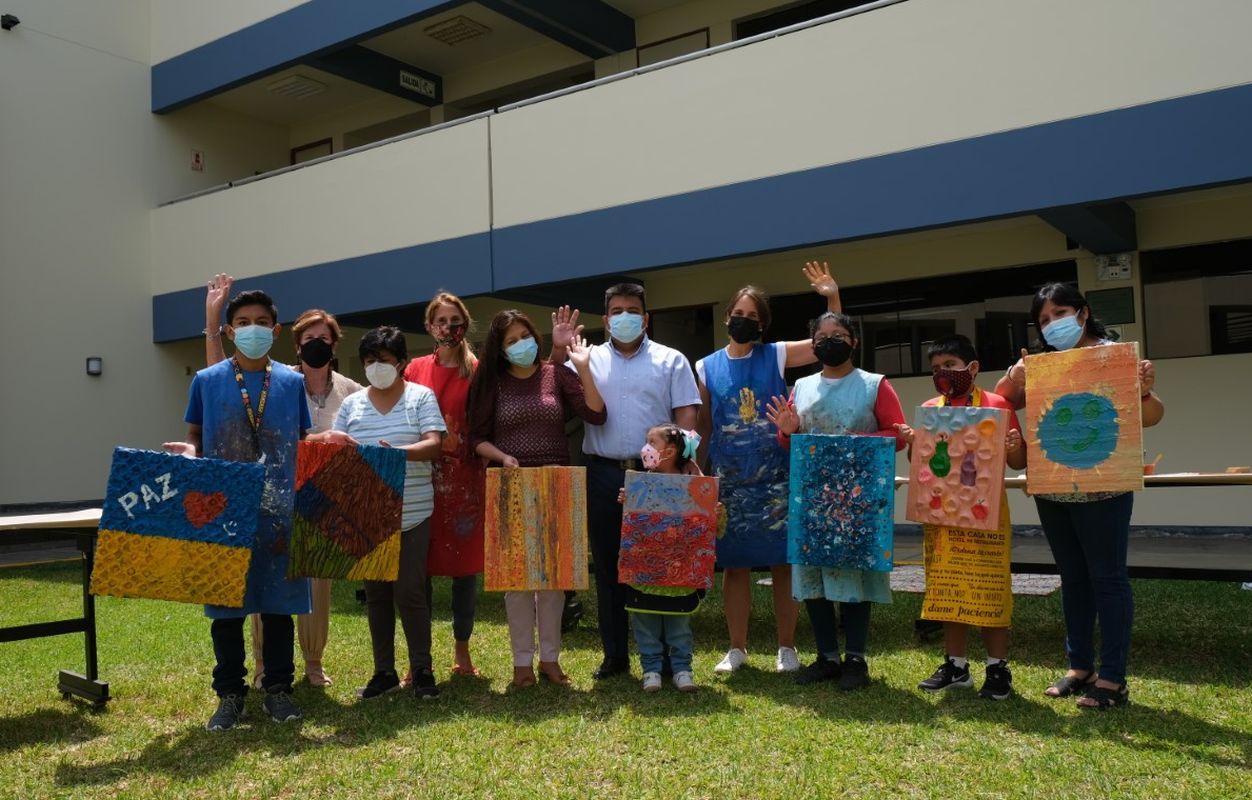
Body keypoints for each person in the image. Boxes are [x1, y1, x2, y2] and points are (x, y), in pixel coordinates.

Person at [994, 283, 1164, 710]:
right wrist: (1015, 376)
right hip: (1053, 490)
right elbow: (1000, 398)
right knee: (1072, 580)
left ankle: (1112, 679)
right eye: (1044, 320)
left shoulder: (1115, 355)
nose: (1054, 324)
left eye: (1061, 313)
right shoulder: (1042, 365)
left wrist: (1142, 388)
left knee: (1107, 579)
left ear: (1083, 313)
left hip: (1105, 489)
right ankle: (1079, 667)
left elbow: (1153, 415)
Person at [166, 288, 312, 731]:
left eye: (262, 322)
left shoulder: (292, 381)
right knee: (227, 607)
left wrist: (329, 445)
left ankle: (279, 691)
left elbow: (303, 443)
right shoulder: (207, 381)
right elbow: (194, 432)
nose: (253, 329)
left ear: (276, 330)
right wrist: (189, 452)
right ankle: (230, 695)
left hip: (278, 509)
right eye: (244, 322)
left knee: (278, 604)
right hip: (221, 507)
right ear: (229, 331)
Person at [205, 274, 361, 687]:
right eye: (309, 336)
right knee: (262, 590)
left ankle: (312, 663)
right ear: (293, 341)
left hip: (319, 503)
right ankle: (261, 668)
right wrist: (211, 320)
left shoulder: (350, 390)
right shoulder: (271, 380)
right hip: (263, 498)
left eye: (324, 337)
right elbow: (217, 379)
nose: (317, 343)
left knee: (314, 591)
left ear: (334, 343)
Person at [695, 261, 842, 675]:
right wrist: (699, 472)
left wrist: (830, 296)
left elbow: (825, 343)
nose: (743, 322)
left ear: (762, 326)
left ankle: (786, 647)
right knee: (735, 566)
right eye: (738, 315)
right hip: (730, 482)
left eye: (752, 318)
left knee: (783, 564)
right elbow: (705, 423)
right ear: (727, 317)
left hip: (777, 478)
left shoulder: (775, 354)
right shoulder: (704, 366)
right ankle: (736, 648)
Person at [765, 312, 907, 691]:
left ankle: (856, 659)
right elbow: (790, 440)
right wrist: (787, 431)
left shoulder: (875, 385)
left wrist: (854, 440)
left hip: (859, 499)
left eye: (839, 335)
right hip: (811, 495)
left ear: (854, 342)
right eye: (823, 336)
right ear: (813, 345)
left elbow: (898, 434)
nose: (830, 342)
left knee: (855, 572)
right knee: (812, 574)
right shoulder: (802, 385)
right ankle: (827, 656)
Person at [468, 310, 606, 687]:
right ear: (500, 348)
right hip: (510, 487)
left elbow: (596, 414)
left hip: (556, 484)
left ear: (536, 336)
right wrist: (501, 457)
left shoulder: (556, 374)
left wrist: (584, 368)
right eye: (511, 340)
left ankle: (550, 659)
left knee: (553, 578)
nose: (520, 345)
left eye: (524, 336)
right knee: (518, 582)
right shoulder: (492, 383)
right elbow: (475, 438)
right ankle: (521, 664)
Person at [576, 283, 702, 680]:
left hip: (658, 480)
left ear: (645, 318)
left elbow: (687, 418)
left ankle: (666, 659)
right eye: (617, 310)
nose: (625, 316)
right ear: (606, 319)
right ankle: (615, 655)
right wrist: (559, 348)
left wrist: (680, 468)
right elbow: (550, 389)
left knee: (662, 566)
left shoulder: (672, 360)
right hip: (601, 471)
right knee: (611, 566)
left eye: (633, 309)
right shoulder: (586, 358)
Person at [315, 326, 447, 700]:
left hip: (414, 511)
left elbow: (435, 445)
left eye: (384, 361)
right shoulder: (353, 404)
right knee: (376, 596)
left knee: (410, 592)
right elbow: (337, 449)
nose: (376, 367)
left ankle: (422, 669)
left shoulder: (421, 397)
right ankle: (383, 671)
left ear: (402, 363)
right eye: (370, 361)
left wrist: (397, 455)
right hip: (367, 515)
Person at [894, 334, 1026, 700]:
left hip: (987, 516)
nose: (943, 374)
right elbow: (920, 466)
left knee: (990, 589)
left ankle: (998, 668)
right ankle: (956, 665)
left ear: (973, 368)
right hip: (942, 517)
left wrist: (1015, 447)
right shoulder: (930, 408)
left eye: (950, 366)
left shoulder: (997, 405)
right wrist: (913, 442)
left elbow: (1018, 462)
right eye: (936, 369)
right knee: (946, 588)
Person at [402, 292, 484, 679]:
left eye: (455, 320)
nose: (448, 328)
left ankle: (462, 651)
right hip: (420, 480)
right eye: (441, 321)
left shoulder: (477, 370)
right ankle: (420, 657)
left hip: (466, 482)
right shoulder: (413, 370)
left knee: (464, 571)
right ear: (428, 326)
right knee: (418, 570)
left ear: (464, 324)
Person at [620, 425, 710, 693]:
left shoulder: (694, 485)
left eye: (651, 442)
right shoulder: (640, 483)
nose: (645, 447)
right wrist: (628, 500)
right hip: (644, 574)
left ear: (669, 450)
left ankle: (682, 668)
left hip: (680, 575)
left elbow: (708, 526)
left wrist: (713, 510)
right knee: (645, 622)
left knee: (678, 624)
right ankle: (651, 670)